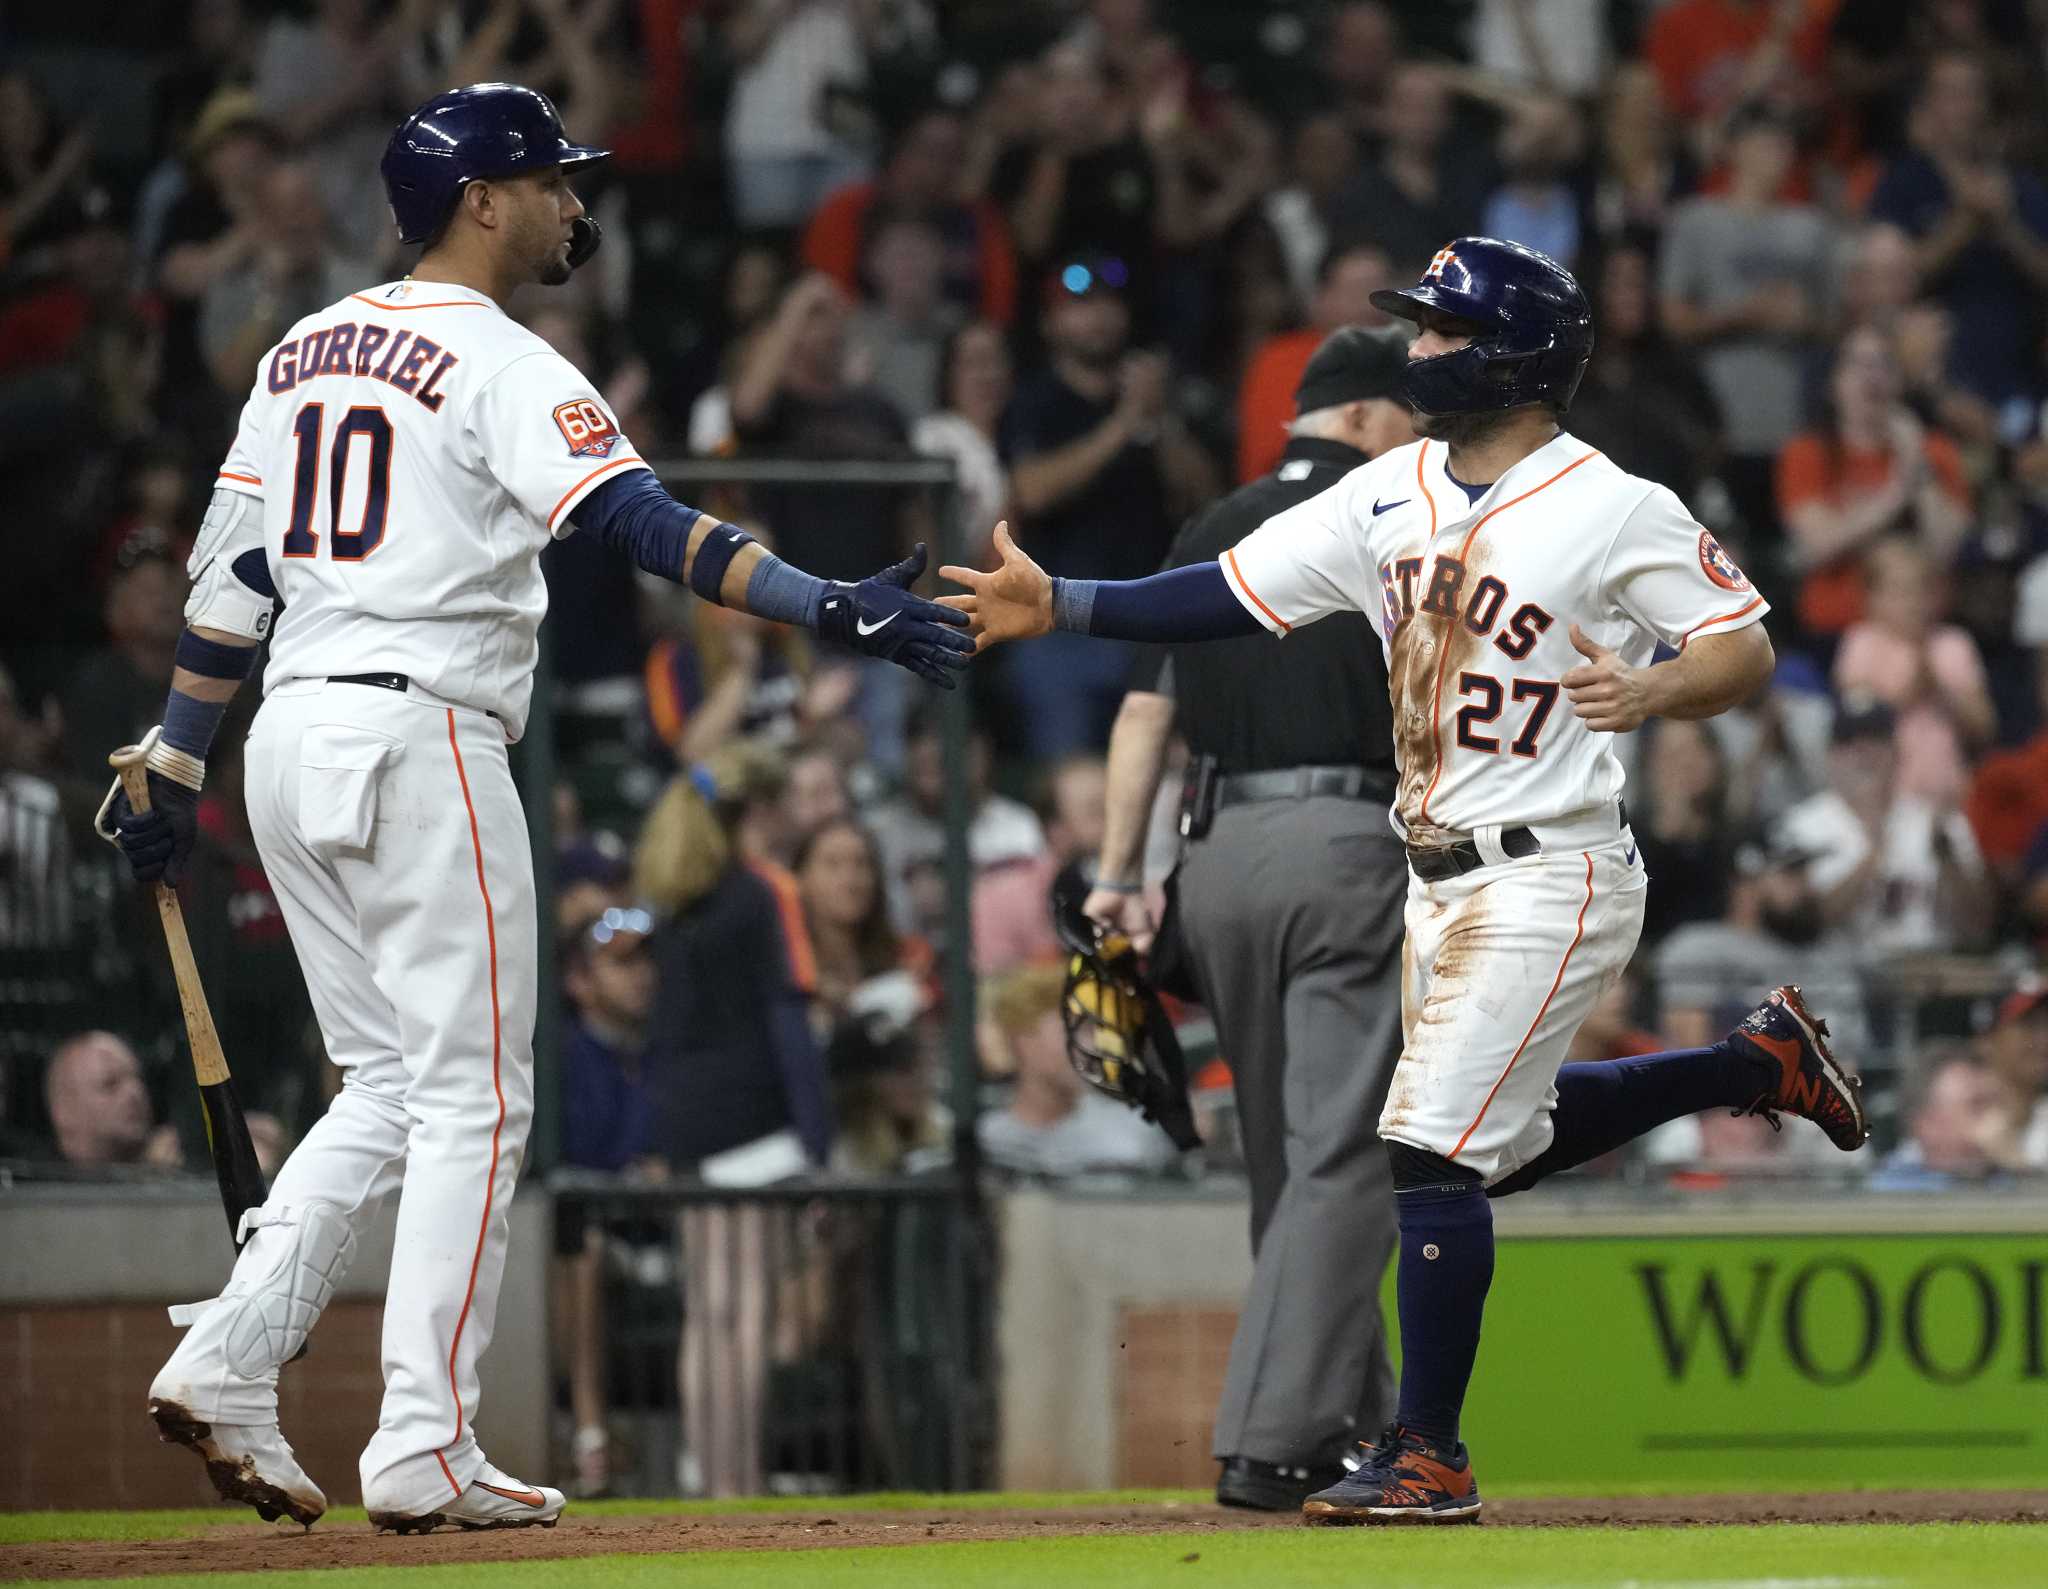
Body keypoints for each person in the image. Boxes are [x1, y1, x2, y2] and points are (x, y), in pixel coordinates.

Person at [98, 82, 971, 1535]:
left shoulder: (302, 349)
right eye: (553, 179)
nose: (578, 201)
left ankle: (231, 1354)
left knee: (383, 1084)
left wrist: (180, 758)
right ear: (480, 200)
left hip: (292, 734)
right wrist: (827, 604)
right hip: (424, 725)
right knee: (480, 1104)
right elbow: (640, 525)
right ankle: (424, 1440)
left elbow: (232, 585)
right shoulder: (498, 356)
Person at [941, 236, 1868, 1524]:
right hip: (1429, 873)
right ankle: (1755, 1064)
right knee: (1495, 1146)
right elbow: (1228, 591)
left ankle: (1427, 1449)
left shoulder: (1612, 502)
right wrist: (1069, 606)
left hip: (1552, 867)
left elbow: (1743, 644)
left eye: (1441, 329)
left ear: (1511, 354)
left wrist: (1654, 686)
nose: (1419, 347)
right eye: (1420, 329)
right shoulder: (1389, 488)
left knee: (1426, 1146)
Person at [1084, 325, 1415, 1511]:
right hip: (1346, 843)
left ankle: (1358, 1427)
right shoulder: (1395, 515)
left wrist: (1118, 874)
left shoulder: (1211, 524)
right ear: (1371, 416)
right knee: (1344, 1151)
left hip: (1210, 855)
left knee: (1288, 1163)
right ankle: (1269, 1441)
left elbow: (1140, 717)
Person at [999, 255, 1216, 754]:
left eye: (1108, 303)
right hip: (1059, 628)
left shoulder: (1158, 401)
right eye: (1079, 304)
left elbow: (1203, 496)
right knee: (1074, 780)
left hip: (1148, 620)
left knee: (1163, 788)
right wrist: (1125, 422)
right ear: (1050, 322)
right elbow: (1032, 491)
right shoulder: (1035, 399)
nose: (1097, 316)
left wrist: (1158, 421)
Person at [977, 964, 1176, 1177]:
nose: (1089, 1047)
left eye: (1091, 1031)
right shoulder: (986, 1143)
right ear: (1024, 1040)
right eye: (1071, 1031)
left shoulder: (1133, 1134)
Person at [1234, 243, 1394, 484]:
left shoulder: (1411, 362)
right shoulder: (1282, 361)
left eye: (1381, 293)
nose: (1370, 308)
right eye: (1356, 292)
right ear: (1321, 299)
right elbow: (1273, 463)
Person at [42, 1030, 183, 1173]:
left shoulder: (168, 1160)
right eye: (110, 1083)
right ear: (65, 1110)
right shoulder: (33, 1184)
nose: (135, 1093)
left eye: (138, 1078)